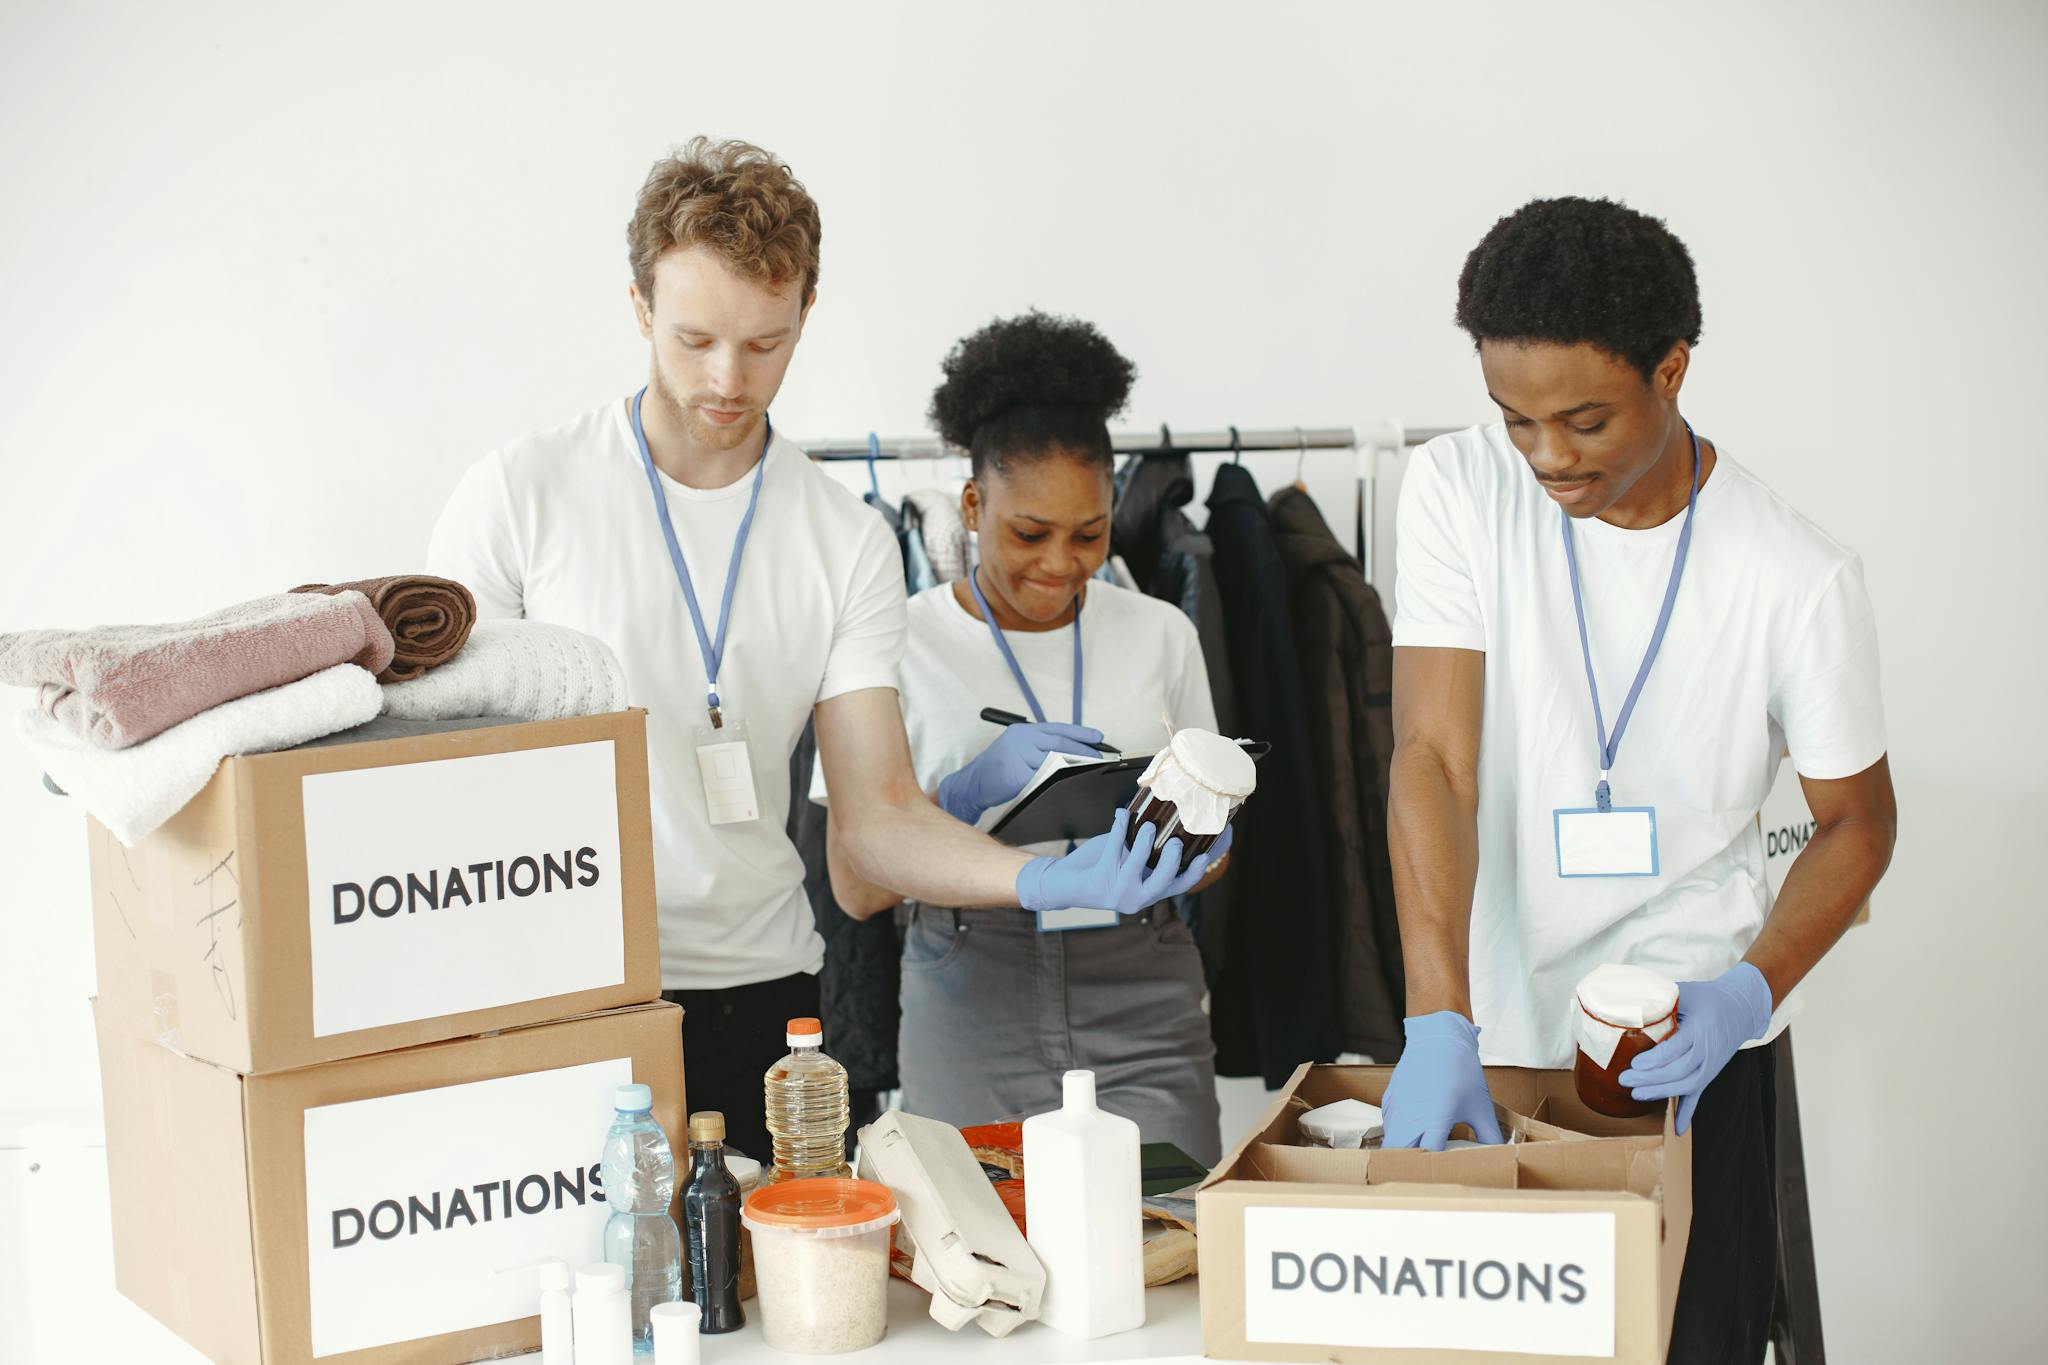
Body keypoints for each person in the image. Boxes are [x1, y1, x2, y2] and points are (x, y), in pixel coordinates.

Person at [425, 140, 1213, 1162]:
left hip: (765, 994)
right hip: (567, 987)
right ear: (637, 308)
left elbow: (875, 821)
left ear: (803, 315)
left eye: (764, 343)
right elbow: (441, 781)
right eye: (694, 337)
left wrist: (1037, 881)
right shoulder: (519, 498)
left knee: (778, 1304)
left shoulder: (839, 539)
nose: (726, 377)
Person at [1381, 196, 1896, 1361]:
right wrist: (1433, 1019)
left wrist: (1743, 995)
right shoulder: (1458, 492)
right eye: (1515, 421)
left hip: (1686, 1057)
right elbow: (1432, 758)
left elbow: (1854, 825)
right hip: (1494, 1031)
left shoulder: (1793, 575)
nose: (1547, 458)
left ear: (1670, 370)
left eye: (1582, 420)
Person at [818, 312, 1234, 1164]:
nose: (1061, 562)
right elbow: (855, 890)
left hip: (1142, 984)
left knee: (1173, 1242)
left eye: (1089, 533)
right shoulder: (888, 642)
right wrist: (962, 796)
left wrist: (1193, 848)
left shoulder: (1161, 633)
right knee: (976, 1262)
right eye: (1028, 533)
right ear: (973, 505)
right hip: (969, 987)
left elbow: (1218, 846)